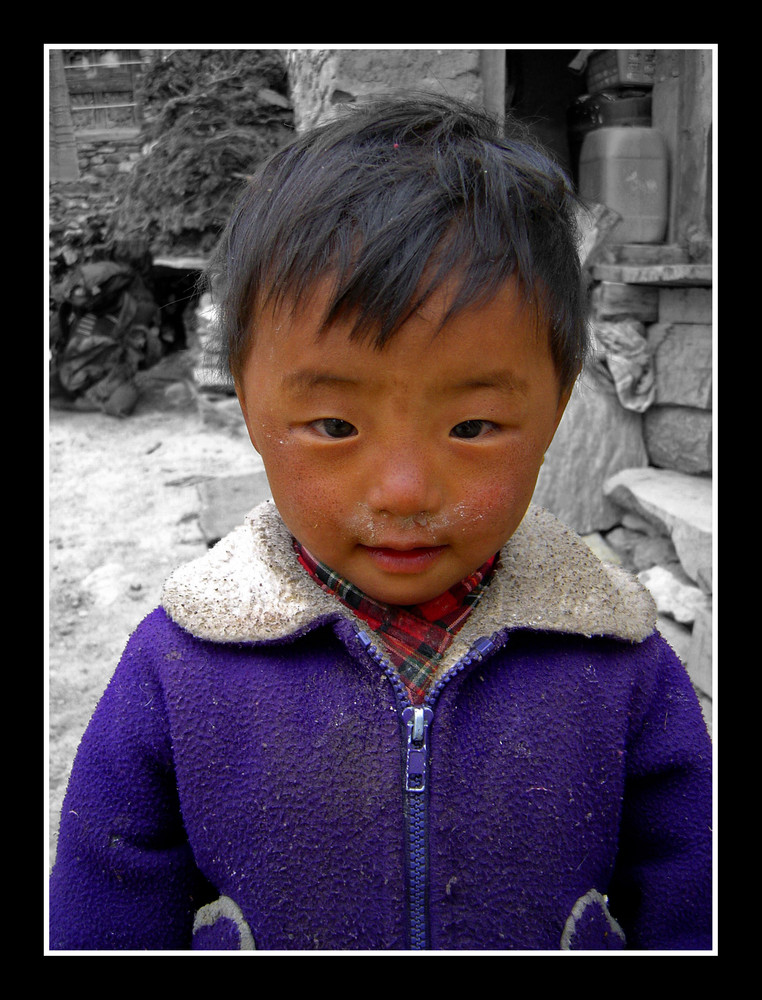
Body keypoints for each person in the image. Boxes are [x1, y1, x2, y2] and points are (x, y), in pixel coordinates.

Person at [49, 94, 712, 952]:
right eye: (334, 426)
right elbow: (106, 906)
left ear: (555, 408)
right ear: (248, 406)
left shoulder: (617, 661)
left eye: (472, 428)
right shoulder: (181, 664)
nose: (403, 490)